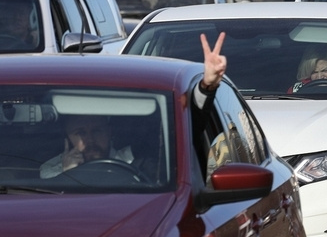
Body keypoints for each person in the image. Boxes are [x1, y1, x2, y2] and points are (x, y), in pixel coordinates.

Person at [40, 32, 227, 178]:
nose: (90, 140)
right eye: (80, 133)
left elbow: (189, 126)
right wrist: (68, 174)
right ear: (67, 137)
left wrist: (206, 87)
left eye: (97, 130)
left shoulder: (139, 163)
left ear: (110, 131)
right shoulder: (51, 171)